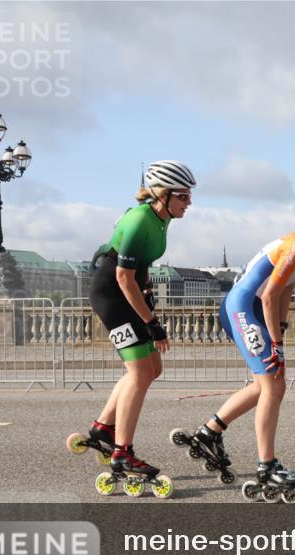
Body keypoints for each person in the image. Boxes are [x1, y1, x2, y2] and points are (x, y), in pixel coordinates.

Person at [186, 190, 295, 503]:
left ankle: (209, 432)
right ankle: (266, 466)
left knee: (270, 384)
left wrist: (281, 332)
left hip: (255, 308)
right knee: (273, 385)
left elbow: (286, 289)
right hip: (243, 307)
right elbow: (270, 295)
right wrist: (275, 343)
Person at [84, 160, 196, 489]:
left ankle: (103, 426)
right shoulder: (138, 220)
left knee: (152, 368)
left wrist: (147, 296)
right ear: (163, 195)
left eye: (189, 197)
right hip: (112, 294)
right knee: (139, 373)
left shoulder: (163, 218)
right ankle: (122, 451)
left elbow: (142, 266)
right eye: (184, 198)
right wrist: (152, 322)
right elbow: (122, 274)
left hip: (129, 290)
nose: (188, 204)